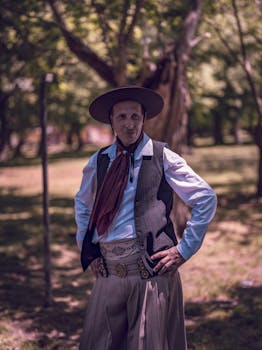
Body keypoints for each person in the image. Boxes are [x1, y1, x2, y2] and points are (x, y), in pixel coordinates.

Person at [75, 86, 217, 350]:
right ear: (112, 121)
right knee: (103, 342)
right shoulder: (100, 160)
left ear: (143, 119)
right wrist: (89, 249)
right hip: (109, 272)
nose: (129, 124)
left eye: (135, 117)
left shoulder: (162, 157)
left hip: (150, 273)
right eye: (122, 117)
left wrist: (185, 249)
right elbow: (82, 205)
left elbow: (205, 198)